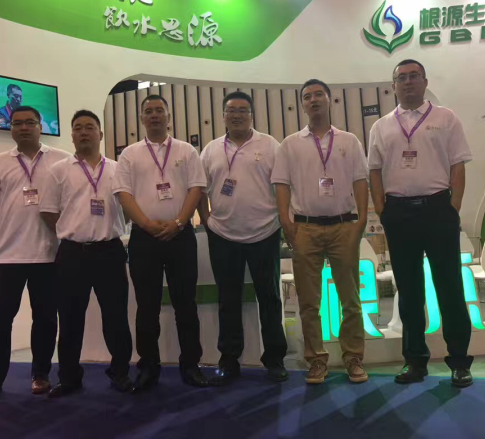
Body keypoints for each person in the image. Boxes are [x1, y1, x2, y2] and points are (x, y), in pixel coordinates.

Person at [368, 59, 474, 388]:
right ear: (393, 86)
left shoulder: (446, 118)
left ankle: (459, 362)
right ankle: (415, 361)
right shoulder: (381, 126)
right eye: (401, 78)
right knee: (409, 291)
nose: (408, 82)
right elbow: (374, 171)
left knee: (450, 287)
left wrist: (453, 207)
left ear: (425, 81)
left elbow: (458, 165)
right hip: (399, 213)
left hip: (438, 209)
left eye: (414, 76)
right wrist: (383, 210)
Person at [0, 106, 71, 402]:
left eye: (29, 122)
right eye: (17, 123)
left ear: (40, 126)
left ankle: (41, 374)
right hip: (6, 256)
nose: (23, 127)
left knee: (46, 319)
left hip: (49, 255)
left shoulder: (62, 160)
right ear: (10, 128)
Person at [271, 79, 368, 385]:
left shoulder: (349, 141)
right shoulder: (290, 144)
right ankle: (316, 360)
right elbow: (281, 185)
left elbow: (360, 181)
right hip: (306, 228)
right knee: (309, 302)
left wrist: (361, 221)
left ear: (329, 100)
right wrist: (286, 222)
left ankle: (353, 358)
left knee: (350, 299)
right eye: (307, 96)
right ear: (302, 104)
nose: (313, 100)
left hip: (343, 226)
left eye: (318, 95)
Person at [114, 95, 209, 392]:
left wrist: (180, 222)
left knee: (186, 304)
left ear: (169, 116)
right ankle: (148, 367)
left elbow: (196, 189)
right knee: (147, 307)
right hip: (145, 238)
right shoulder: (129, 154)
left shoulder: (186, 150)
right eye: (148, 111)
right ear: (142, 118)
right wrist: (146, 224)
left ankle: (190, 364)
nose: (154, 115)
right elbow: (123, 194)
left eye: (159, 110)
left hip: (181, 236)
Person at [39, 109, 132, 398]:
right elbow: (47, 211)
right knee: (69, 319)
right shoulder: (58, 170)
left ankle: (120, 372)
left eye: (89, 127)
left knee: (116, 317)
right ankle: (69, 378)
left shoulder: (118, 169)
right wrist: (73, 230)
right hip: (72, 253)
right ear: (72, 135)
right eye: (77, 128)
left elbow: (129, 209)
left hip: (110, 251)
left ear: (100, 134)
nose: (83, 132)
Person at [197, 91, 288, 385]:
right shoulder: (211, 150)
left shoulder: (270, 145)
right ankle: (229, 359)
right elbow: (199, 189)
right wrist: (206, 219)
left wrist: (282, 219)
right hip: (223, 235)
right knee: (228, 299)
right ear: (223, 115)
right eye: (231, 110)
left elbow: (283, 186)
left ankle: (274, 359)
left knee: (270, 297)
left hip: (265, 232)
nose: (237, 115)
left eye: (243, 110)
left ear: (251, 115)